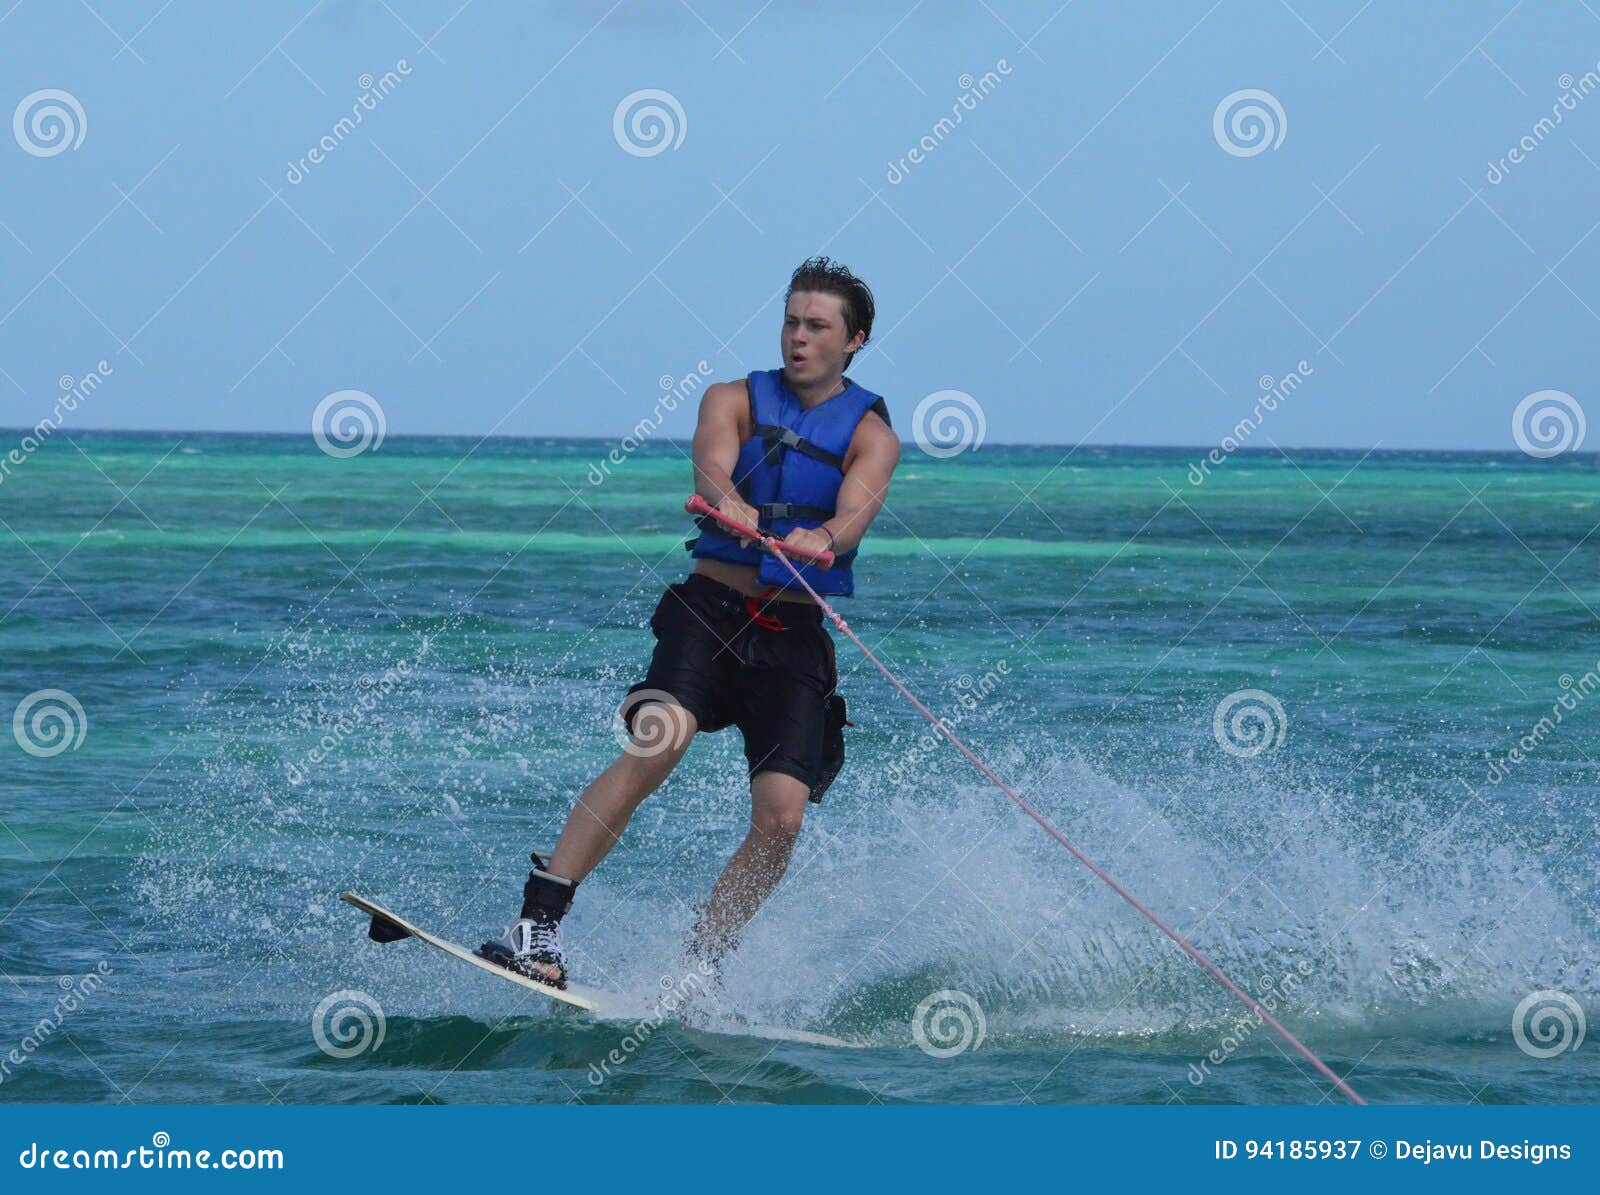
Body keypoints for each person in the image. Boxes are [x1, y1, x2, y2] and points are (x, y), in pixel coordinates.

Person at [477, 257, 901, 989]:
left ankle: (700, 967)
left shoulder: (873, 434)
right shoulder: (731, 398)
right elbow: (711, 463)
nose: (797, 337)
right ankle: (537, 922)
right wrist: (726, 500)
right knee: (657, 740)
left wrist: (825, 539)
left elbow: (855, 514)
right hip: (710, 614)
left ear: (854, 339)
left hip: (793, 638)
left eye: (817, 326)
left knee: (782, 818)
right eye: (790, 321)